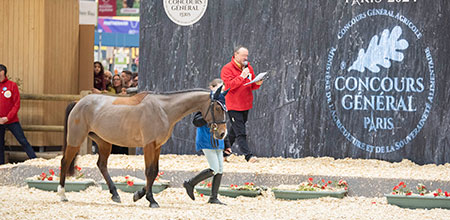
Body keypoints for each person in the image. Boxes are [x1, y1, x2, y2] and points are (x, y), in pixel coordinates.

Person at [183, 79, 227, 205]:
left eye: (222, 90)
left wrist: (227, 144)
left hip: (218, 140)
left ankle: (213, 197)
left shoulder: (221, 104)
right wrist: (208, 117)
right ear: (211, 88)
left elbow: (223, 124)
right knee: (214, 168)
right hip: (206, 138)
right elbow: (196, 121)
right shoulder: (204, 104)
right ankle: (190, 183)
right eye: (218, 89)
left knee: (220, 169)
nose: (220, 92)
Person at [220, 46, 263, 163]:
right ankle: (248, 156)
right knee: (240, 131)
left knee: (235, 129)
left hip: (246, 103)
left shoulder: (248, 68)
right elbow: (228, 86)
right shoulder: (227, 69)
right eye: (244, 55)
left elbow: (251, 85)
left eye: (247, 56)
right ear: (236, 55)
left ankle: (223, 153)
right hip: (234, 104)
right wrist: (241, 76)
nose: (246, 58)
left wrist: (258, 83)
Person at [0, 64, 37, 164]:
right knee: (0, 144)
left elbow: (16, 104)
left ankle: (35, 160)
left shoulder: (12, 85)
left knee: (22, 140)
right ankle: (1, 165)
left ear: (3, 72)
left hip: (11, 120)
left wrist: (8, 118)